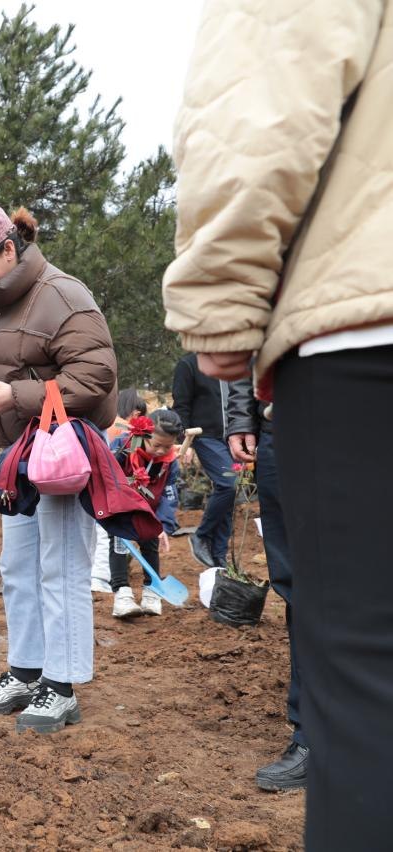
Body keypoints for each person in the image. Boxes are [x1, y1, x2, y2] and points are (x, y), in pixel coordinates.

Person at [162, 5, 392, 842]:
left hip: (367, 328)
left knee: (366, 660)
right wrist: (242, 414)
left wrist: (220, 313)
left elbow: (261, 103)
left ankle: (314, 731)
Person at [0, 205, 117, 734]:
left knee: (63, 567)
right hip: (16, 457)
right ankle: (27, 671)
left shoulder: (62, 295)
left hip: (62, 455)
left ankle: (62, 685)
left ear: (9, 248)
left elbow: (96, 374)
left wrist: (19, 397)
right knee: (19, 569)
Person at [226, 379, 306, 791]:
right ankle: (313, 735)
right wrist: (241, 415)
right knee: (301, 585)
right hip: (282, 427)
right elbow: (244, 340)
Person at [107, 410, 181, 618]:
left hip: (150, 512)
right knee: (119, 547)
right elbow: (107, 474)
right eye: (156, 445)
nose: (161, 451)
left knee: (150, 546)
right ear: (142, 436)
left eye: (167, 446)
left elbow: (169, 493)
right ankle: (122, 594)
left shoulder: (168, 463)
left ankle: (152, 591)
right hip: (121, 510)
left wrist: (163, 524)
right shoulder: (123, 448)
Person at [171, 353, 233, 569]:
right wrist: (182, 440)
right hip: (205, 435)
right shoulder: (189, 364)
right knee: (229, 483)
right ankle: (202, 535)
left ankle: (219, 556)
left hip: (234, 437)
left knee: (228, 493)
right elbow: (181, 405)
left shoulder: (233, 364)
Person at [93, 388, 150, 593]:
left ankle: (95, 571)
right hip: (112, 487)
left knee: (94, 531)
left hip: (93, 485)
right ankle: (100, 577)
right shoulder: (127, 430)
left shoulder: (106, 424)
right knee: (106, 533)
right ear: (135, 413)